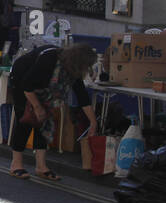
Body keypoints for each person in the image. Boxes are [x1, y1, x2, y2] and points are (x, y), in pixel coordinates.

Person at [7, 43, 98, 181]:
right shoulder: (49, 59)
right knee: (25, 119)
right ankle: (16, 164)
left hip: (43, 89)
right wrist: (37, 107)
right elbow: (27, 85)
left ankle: (41, 167)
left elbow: (82, 96)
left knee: (44, 121)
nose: (87, 69)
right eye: (87, 66)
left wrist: (93, 122)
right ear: (79, 61)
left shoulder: (73, 69)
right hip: (22, 80)